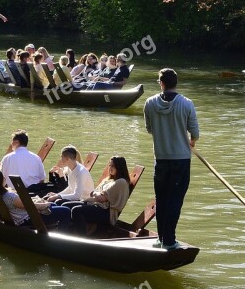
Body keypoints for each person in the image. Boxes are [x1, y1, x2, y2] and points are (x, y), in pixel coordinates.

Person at [143, 68, 199, 250]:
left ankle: (161, 238)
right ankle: (169, 241)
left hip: (161, 159)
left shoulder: (149, 103)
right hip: (181, 159)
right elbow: (195, 132)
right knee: (175, 200)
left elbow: (149, 129)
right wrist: (191, 141)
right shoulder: (187, 103)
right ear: (176, 82)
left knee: (162, 199)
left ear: (161, 82)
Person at [0, 170, 72, 231]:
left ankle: (57, 229)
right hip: (28, 219)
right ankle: (63, 235)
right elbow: (29, 207)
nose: (5, 179)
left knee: (55, 206)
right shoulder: (9, 196)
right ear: (0, 181)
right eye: (3, 178)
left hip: (24, 216)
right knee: (66, 211)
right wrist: (46, 204)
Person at [67, 156, 130, 235]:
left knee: (76, 210)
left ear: (119, 167)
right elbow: (94, 193)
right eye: (109, 165)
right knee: (66, 205)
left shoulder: (121, 182)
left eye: (113, 166)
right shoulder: (108, 180)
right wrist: (96, 194)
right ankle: (68, 232)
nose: (110, 168)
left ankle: (81, 237)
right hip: (96, 205)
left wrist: (96, 194)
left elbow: (102, 198)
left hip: (107, 212)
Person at [0, 129, 48, 195]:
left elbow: (2, 178)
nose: (11, 143)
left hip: (15, 194)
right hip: (33, 193)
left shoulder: (8, 158)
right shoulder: (36, 157)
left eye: (12, 141)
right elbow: (42, 179)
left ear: (17, 142)